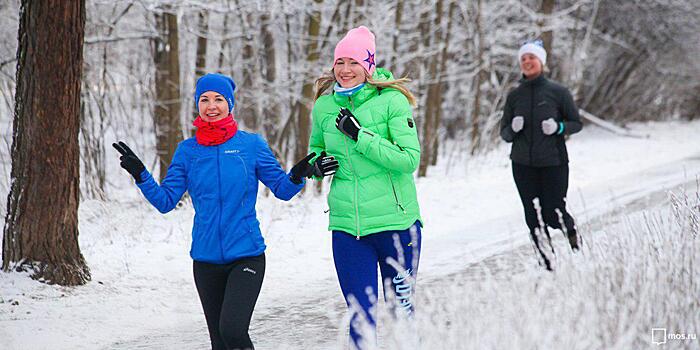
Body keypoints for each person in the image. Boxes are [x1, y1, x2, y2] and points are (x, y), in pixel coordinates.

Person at [113, 73, 338, 350]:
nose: (211, 106)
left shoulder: (251, 146)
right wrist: (141, 174)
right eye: (204, 100)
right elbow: (166, 201)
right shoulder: (188, 151)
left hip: (246, 255)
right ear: (197, 105)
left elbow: (282, 189)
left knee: (232, 331)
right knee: (219, 343)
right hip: (205, 261)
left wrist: (300, 174)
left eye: (218, 99)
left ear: (230, 104)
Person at [309, 26, 423, 349]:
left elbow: (408, 159)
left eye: (353, 62)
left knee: (401, 314)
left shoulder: (392, 102)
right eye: (339, 62)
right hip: (348, 228)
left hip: (397, 226)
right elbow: (316, 149)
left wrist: (361, 136)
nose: (345, 70)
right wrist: (316, 166)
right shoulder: (323, 107)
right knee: (359, 316)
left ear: (369, 66)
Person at [499, 39, 583, 271]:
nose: (527, 62)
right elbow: (504, 133)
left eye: (531, 58)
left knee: (553, 211)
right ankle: (547, 263)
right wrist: (513, 129)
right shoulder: (514, 95)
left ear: (541, 62)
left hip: (554, 162)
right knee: (532, 215)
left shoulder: (558, 92)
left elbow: (576, 123)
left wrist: (559, 128)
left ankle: (573, 237)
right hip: (522, 164)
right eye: (523, 59)